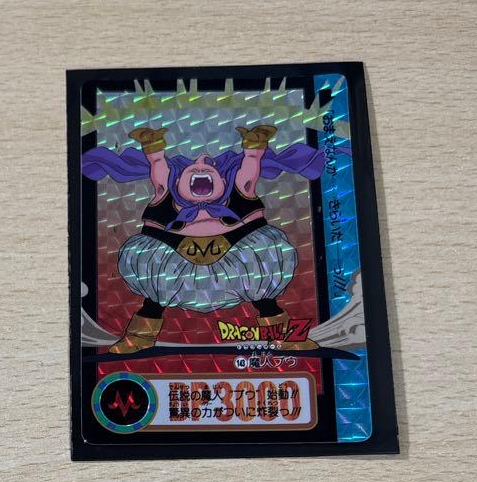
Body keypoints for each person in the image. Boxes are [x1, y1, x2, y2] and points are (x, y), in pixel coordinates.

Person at [82, 123, 325, 352]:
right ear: (177, 181)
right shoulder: (165, 194)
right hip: (173, 262)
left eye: (208, 168)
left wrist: (253, 148)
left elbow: (248, 173)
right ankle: (139, 338)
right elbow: (159, 172)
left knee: (264, 298)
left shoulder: (239, 192)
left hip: (237, 260)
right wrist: (153, 148)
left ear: (224, 181)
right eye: (193, 168)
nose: (200, 165)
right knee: (155, 300)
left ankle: (284, 337)